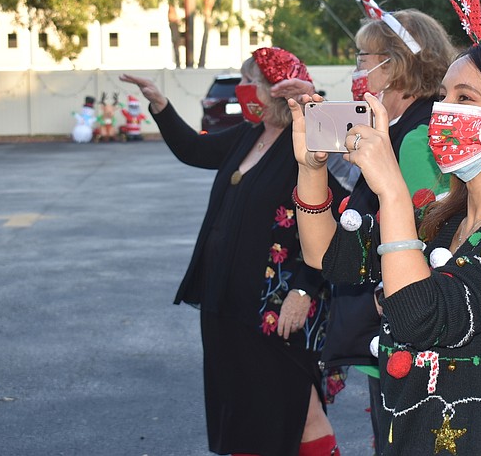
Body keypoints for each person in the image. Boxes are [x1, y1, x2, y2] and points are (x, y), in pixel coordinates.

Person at [288, 0, 481, 454]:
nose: (444, 110)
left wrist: (393, 193)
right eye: (443, 95)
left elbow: (421, 318)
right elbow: (326, 258)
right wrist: (312, 169)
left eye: (464, 98)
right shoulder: (439, 220)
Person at [119, 46, 346, 456]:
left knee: (297, 408)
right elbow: (194, 149)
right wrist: (161, 104)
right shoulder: (249, 134)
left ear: (274, 90)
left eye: (248, 82)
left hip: (279, 305)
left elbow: (344, 212)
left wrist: (304, 289)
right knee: (242, 409)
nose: (240, 90)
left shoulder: (312, 139)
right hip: (227, 299)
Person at [321, 5, 456, 454]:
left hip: (406, 332)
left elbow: (432, 232)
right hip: (394, 332)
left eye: (364, 57)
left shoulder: (419, 136)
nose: (358, 68)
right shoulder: (393, 125)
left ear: (393, 64)